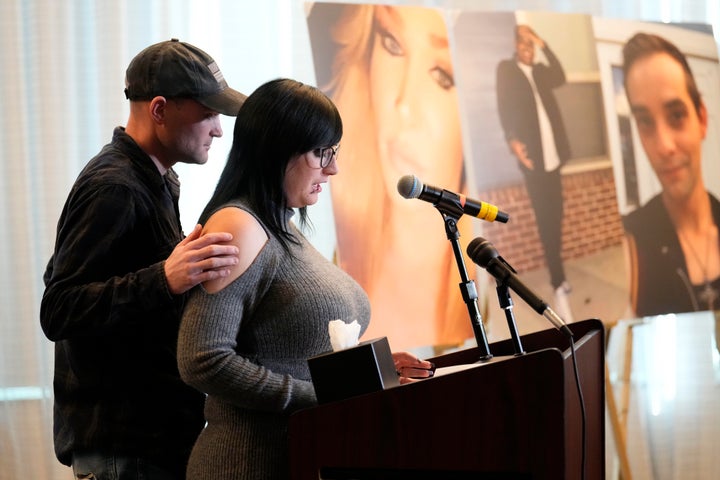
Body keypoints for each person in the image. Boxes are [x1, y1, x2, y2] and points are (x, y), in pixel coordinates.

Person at [177, 78, 435, 480]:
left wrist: (373, 368)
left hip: (296, 453)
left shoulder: (281, 224)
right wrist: (321, 397)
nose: (332, 168)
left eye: (333, 152)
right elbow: (202, 360)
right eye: (321, 153)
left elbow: (289, 345)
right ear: (277, 149)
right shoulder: (238, 226)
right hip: (247, 462)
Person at [39, 39, 246, 479]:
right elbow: (59, 309)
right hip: (124, 450)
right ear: (159, 109)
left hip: (151, 443)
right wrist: (165, 278)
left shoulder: (155, 178)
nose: (218, 129)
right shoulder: (115, 187)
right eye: (208, 113)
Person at [319, 4, 476, 351]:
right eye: (392, 44)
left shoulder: (486, 296)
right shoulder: (338, 266)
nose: (404, 105)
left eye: (443, 76)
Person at [621, 32, 720, 316]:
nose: (663, 146)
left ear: (701, 118)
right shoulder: (630, 243)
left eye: (676, 115)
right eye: (646, 122)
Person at [495, 24, 574, 322]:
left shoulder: (541, 71)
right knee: (545, 220)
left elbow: (562, 75)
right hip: (533, 160)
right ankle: (558, 281)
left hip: (555, 158)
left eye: (532, 45)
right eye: (523, 44)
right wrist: (512, 140)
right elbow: (503, 107)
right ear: (515, 45)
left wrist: (544, 42)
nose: (528, 49)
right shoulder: (507, 70)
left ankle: (558, 274)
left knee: (558, 215)